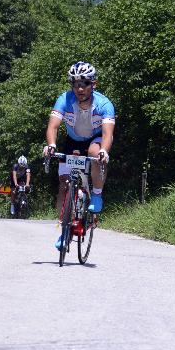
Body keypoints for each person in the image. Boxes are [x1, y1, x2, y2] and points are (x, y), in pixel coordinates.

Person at [43, 61, 115, 249]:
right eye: (75, 84)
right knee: (63, 184)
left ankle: (97, 195)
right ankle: (64, 230)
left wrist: (103, 151)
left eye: (84, 83)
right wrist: (51, 144)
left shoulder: (104, 104)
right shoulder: (64, 100)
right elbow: (53, 126)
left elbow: (108, 134)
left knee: (94, 152)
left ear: (94, 84)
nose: (80, 88)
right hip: (73, 141)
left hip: (95, 140)